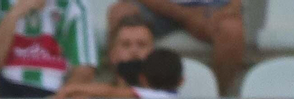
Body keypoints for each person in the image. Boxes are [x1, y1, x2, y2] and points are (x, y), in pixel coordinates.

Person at [0, 0, 97, 99]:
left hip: (54, 92)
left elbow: (84, 69)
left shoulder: (75, 4)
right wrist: (15, 13)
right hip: (1, 88)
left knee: (79, 94)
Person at [101, 0, 243, 90]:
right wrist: (187, 16)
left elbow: (234, 4)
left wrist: (227, 10)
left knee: (232, 30)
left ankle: (219, 98)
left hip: (210, 8)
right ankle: (122, 93)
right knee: (120, 13)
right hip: (157, 6)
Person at [56, 48, 182, 99]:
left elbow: (110, 92)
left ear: (142, 79)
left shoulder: (156, 97)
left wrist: (74, 88)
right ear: (181, 81)